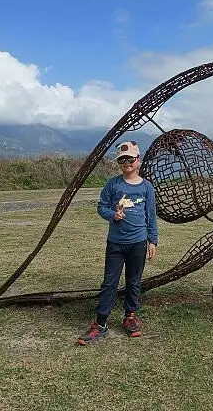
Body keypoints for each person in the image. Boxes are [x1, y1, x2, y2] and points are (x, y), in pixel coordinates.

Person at [77, 140, 158, 345]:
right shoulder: (113, 184)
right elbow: (101, 207)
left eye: (130, 159)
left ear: (138, 160)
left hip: (138, 242)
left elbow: (151, 216)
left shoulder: (147, 187)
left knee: (134, 281)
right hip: (116, 243)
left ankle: (130, 316)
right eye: (122, 160)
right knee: (109, 282)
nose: (126, 163)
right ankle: (100, 323)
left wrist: (153, 241)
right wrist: (113, 215)